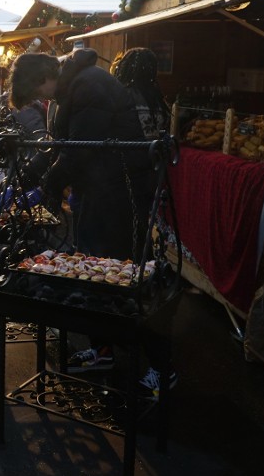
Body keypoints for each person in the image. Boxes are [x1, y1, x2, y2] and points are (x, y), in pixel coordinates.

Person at [46, 48, 175, 397]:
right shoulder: (153, 99)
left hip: (122, 195)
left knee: (122, 279)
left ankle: (163, 367)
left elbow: (88, 146)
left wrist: (53, 180)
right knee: (104, 273)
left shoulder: (106, 90)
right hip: (119, 193)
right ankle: (103, 349)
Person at [8, 53, 61, 185]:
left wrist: (48, 183)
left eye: (37, 92)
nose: (41, 98)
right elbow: (51, 145)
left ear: (43, 78)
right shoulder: (57, 99)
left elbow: (54, 145)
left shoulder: (75, 90)